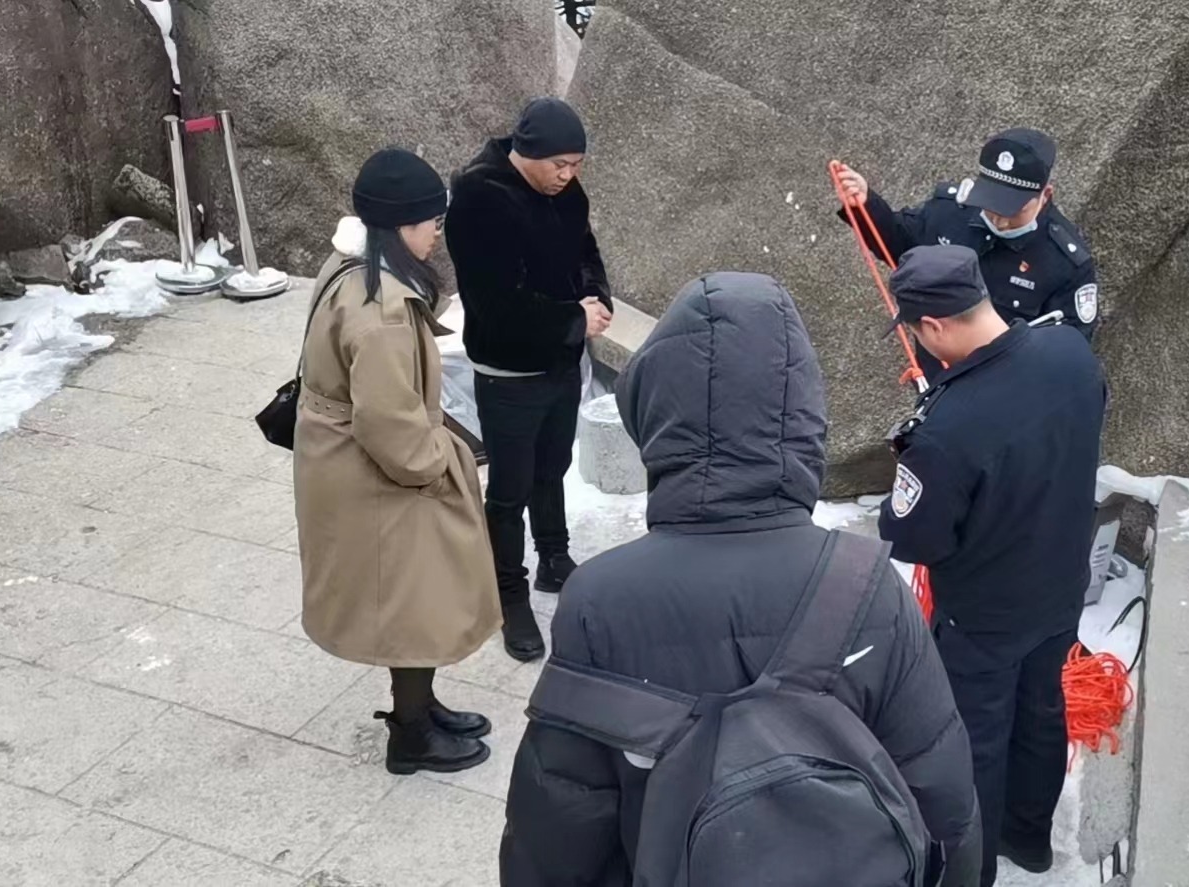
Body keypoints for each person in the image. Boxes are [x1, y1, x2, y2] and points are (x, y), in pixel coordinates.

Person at [499, 272, 981, 887]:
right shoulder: (867, 586)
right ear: (804, 416)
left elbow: (558, 824)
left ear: (651, 414)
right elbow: (942, 796)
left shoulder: (599, 601)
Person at [877, 246, 1107, 885]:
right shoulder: (1070, 354)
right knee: (1041, 711)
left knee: (972, 741)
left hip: (983, 615)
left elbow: (912, 537)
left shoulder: (947, 430)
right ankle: (1028, 839)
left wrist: (915, 455)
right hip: (1060, 587)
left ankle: (969, 871)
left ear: (934, 326)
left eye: (916, 331)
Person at [294, 148, 500, 776]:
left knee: (408, 596)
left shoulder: (351, 265)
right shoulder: (380, 309)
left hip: (342, 461)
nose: (437, 232)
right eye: (431, 221)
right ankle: (411, 736)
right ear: (399, 224)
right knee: (414, 598)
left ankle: (421, 706)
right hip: (375, 475)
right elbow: (389, 426)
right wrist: (441, 462)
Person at [445, 97, 615, 663]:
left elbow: (586, 250)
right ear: (528, 152)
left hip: (560, 364)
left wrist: (596, 297)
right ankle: (508, 592)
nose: (568, 176)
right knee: (510, 487)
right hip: (509, 372)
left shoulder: (565, 192)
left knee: (552, 467)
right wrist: (572, 320)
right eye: (559, 165)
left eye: (577, 165)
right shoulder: (480, 198)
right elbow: (494, 305)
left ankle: (554, 557)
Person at [834, 128, 1099, 376]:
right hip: (936, 380)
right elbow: (899, 246)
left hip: (1002, 388)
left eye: (1014, 210)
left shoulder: (1066, 263)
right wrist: (865, 205)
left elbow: (1068, 352)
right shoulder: (950, 212)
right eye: (992, 205)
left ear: (1045, 195)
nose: (1000, 220)